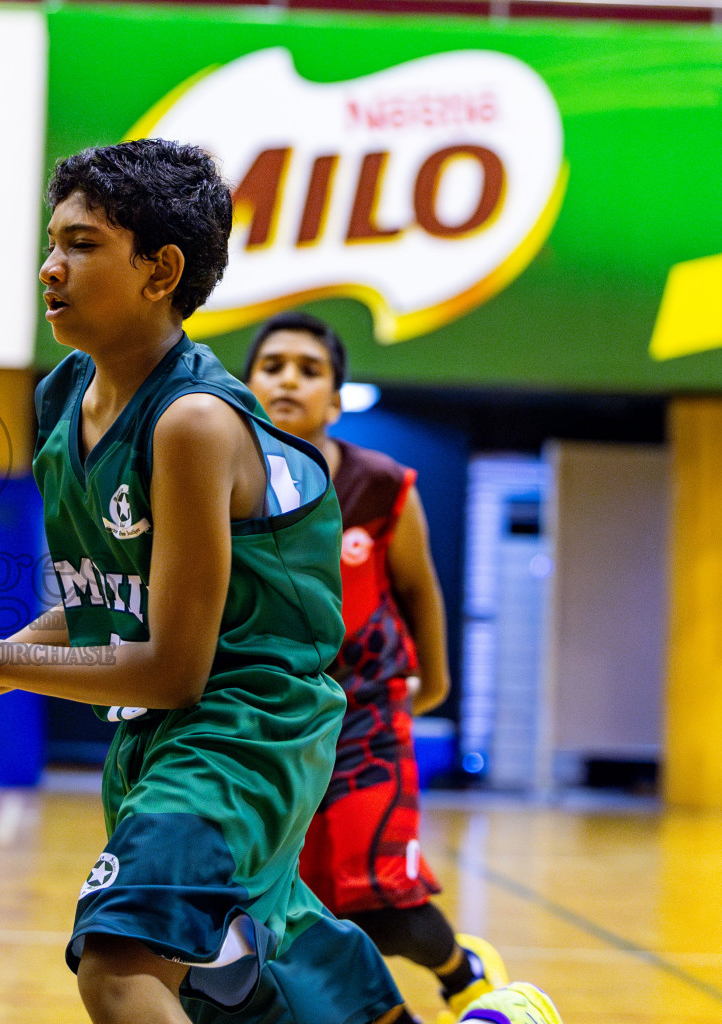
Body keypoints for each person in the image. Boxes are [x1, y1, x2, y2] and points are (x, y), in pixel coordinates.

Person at [0, 137, 416, 1024]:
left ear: (162, 271)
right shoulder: (65, 395)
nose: (50, 265)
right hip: (155, 739)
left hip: (242, 730)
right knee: (238, 980)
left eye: (81, 244)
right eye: (52, 241)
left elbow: (171, 668)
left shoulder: (192, 422)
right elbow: (95, 611)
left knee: (118, 966)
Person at [242, 311, 509, 1021]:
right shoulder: (221, 485)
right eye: (272, 366)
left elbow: (420, 588)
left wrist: (440, 684)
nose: (289, 379)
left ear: (335, 398)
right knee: (306, 912)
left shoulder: (383, 484)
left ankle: (464, 973)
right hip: (272, 723)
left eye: (309, 368)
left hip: (365, 715)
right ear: (245, 389)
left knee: (388, 905)